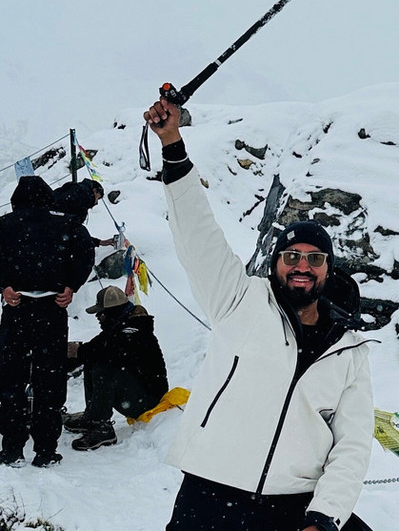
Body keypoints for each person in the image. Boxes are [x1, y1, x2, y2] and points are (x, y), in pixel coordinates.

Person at [144, 97, 375, 531]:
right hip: (211, 493)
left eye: (314, 258)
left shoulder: (350, 349)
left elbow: (353, 442)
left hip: (292, 505)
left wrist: (324, 515)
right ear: (275, 263)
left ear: (328, 269)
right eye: (291, 255)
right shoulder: (238, 299)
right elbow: (198, 233)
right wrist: (173, 143)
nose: (301, 266)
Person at [0, 175, 94, 467]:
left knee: (11, 379)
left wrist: (4, 286)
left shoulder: (5, 225)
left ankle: (12, 447)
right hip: (51, 309)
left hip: (16, 307)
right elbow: (86, 253)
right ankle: (45, 449)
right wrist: (71, 285)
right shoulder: (66, 225)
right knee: (49, 379)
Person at [64, 285, 169, 451]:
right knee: (94, 360)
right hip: (137, 394)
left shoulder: (134, 331)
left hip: (148, 401)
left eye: (101, 313)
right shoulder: (120, 327)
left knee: (104, 366)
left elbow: (110, 352)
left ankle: (101, 427)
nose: (98, 317)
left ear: (110, 312)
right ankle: (92, 417)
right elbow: (98, 347)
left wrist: (80, 351)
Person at [53, 179, 117, 247]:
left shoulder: (71, 187)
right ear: (94, 191)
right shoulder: (85, 197)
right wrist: (97, 242)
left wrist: (98, 242)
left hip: (46, 221)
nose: (96, 202)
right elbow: (75, 230)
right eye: (98, 198)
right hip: (55, 230)